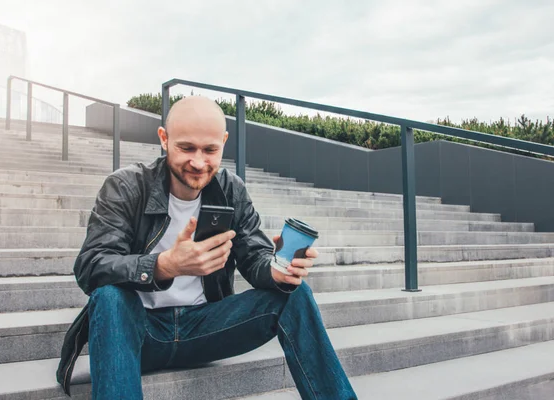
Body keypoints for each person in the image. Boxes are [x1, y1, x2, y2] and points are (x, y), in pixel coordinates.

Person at [56, 96, 357, 399]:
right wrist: (165, 265)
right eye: (186, 148)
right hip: (139, 333)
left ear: (224, 143)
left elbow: (254, 257)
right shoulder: (126, 187)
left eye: (210, 150)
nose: (198, 162)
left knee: (295, 294)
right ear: (164, 139)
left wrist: (277, 269)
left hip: (206, 329)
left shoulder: (231, 189)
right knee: (109, 296)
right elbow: (91, 266)